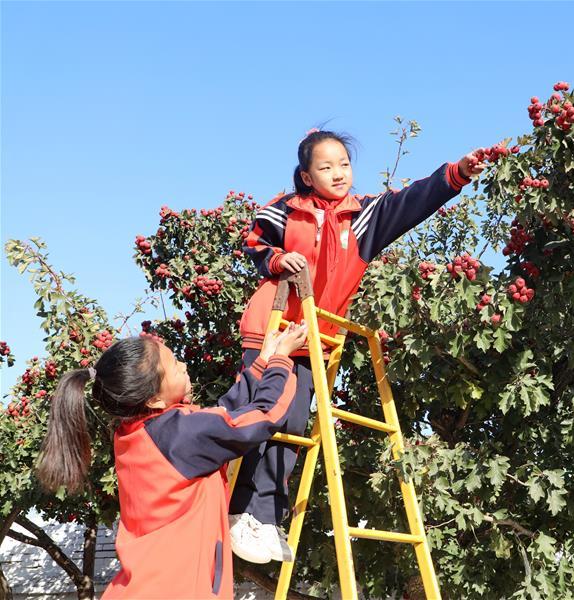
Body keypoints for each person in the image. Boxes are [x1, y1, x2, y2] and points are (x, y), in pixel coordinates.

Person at [227, 128, 485, 563]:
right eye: (325, 167)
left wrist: (457, 173)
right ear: (307, 176)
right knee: (260, 417)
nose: (338, 173)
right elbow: (253, 242)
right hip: (272, 328)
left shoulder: (364, 217)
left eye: (344, 164)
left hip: (313, 338)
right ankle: (239, 512)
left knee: (290, 427)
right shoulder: (286, 209)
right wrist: (277, 259)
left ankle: (267, 517)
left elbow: (412, 200)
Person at [36, 323, 308, 598]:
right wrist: (282, 360)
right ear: (154, 400)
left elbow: (223, 415)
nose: (183, 366)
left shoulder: (135, 434)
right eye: (175, 364)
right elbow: (262, 416)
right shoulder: (179, 434)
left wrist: (262, 362)